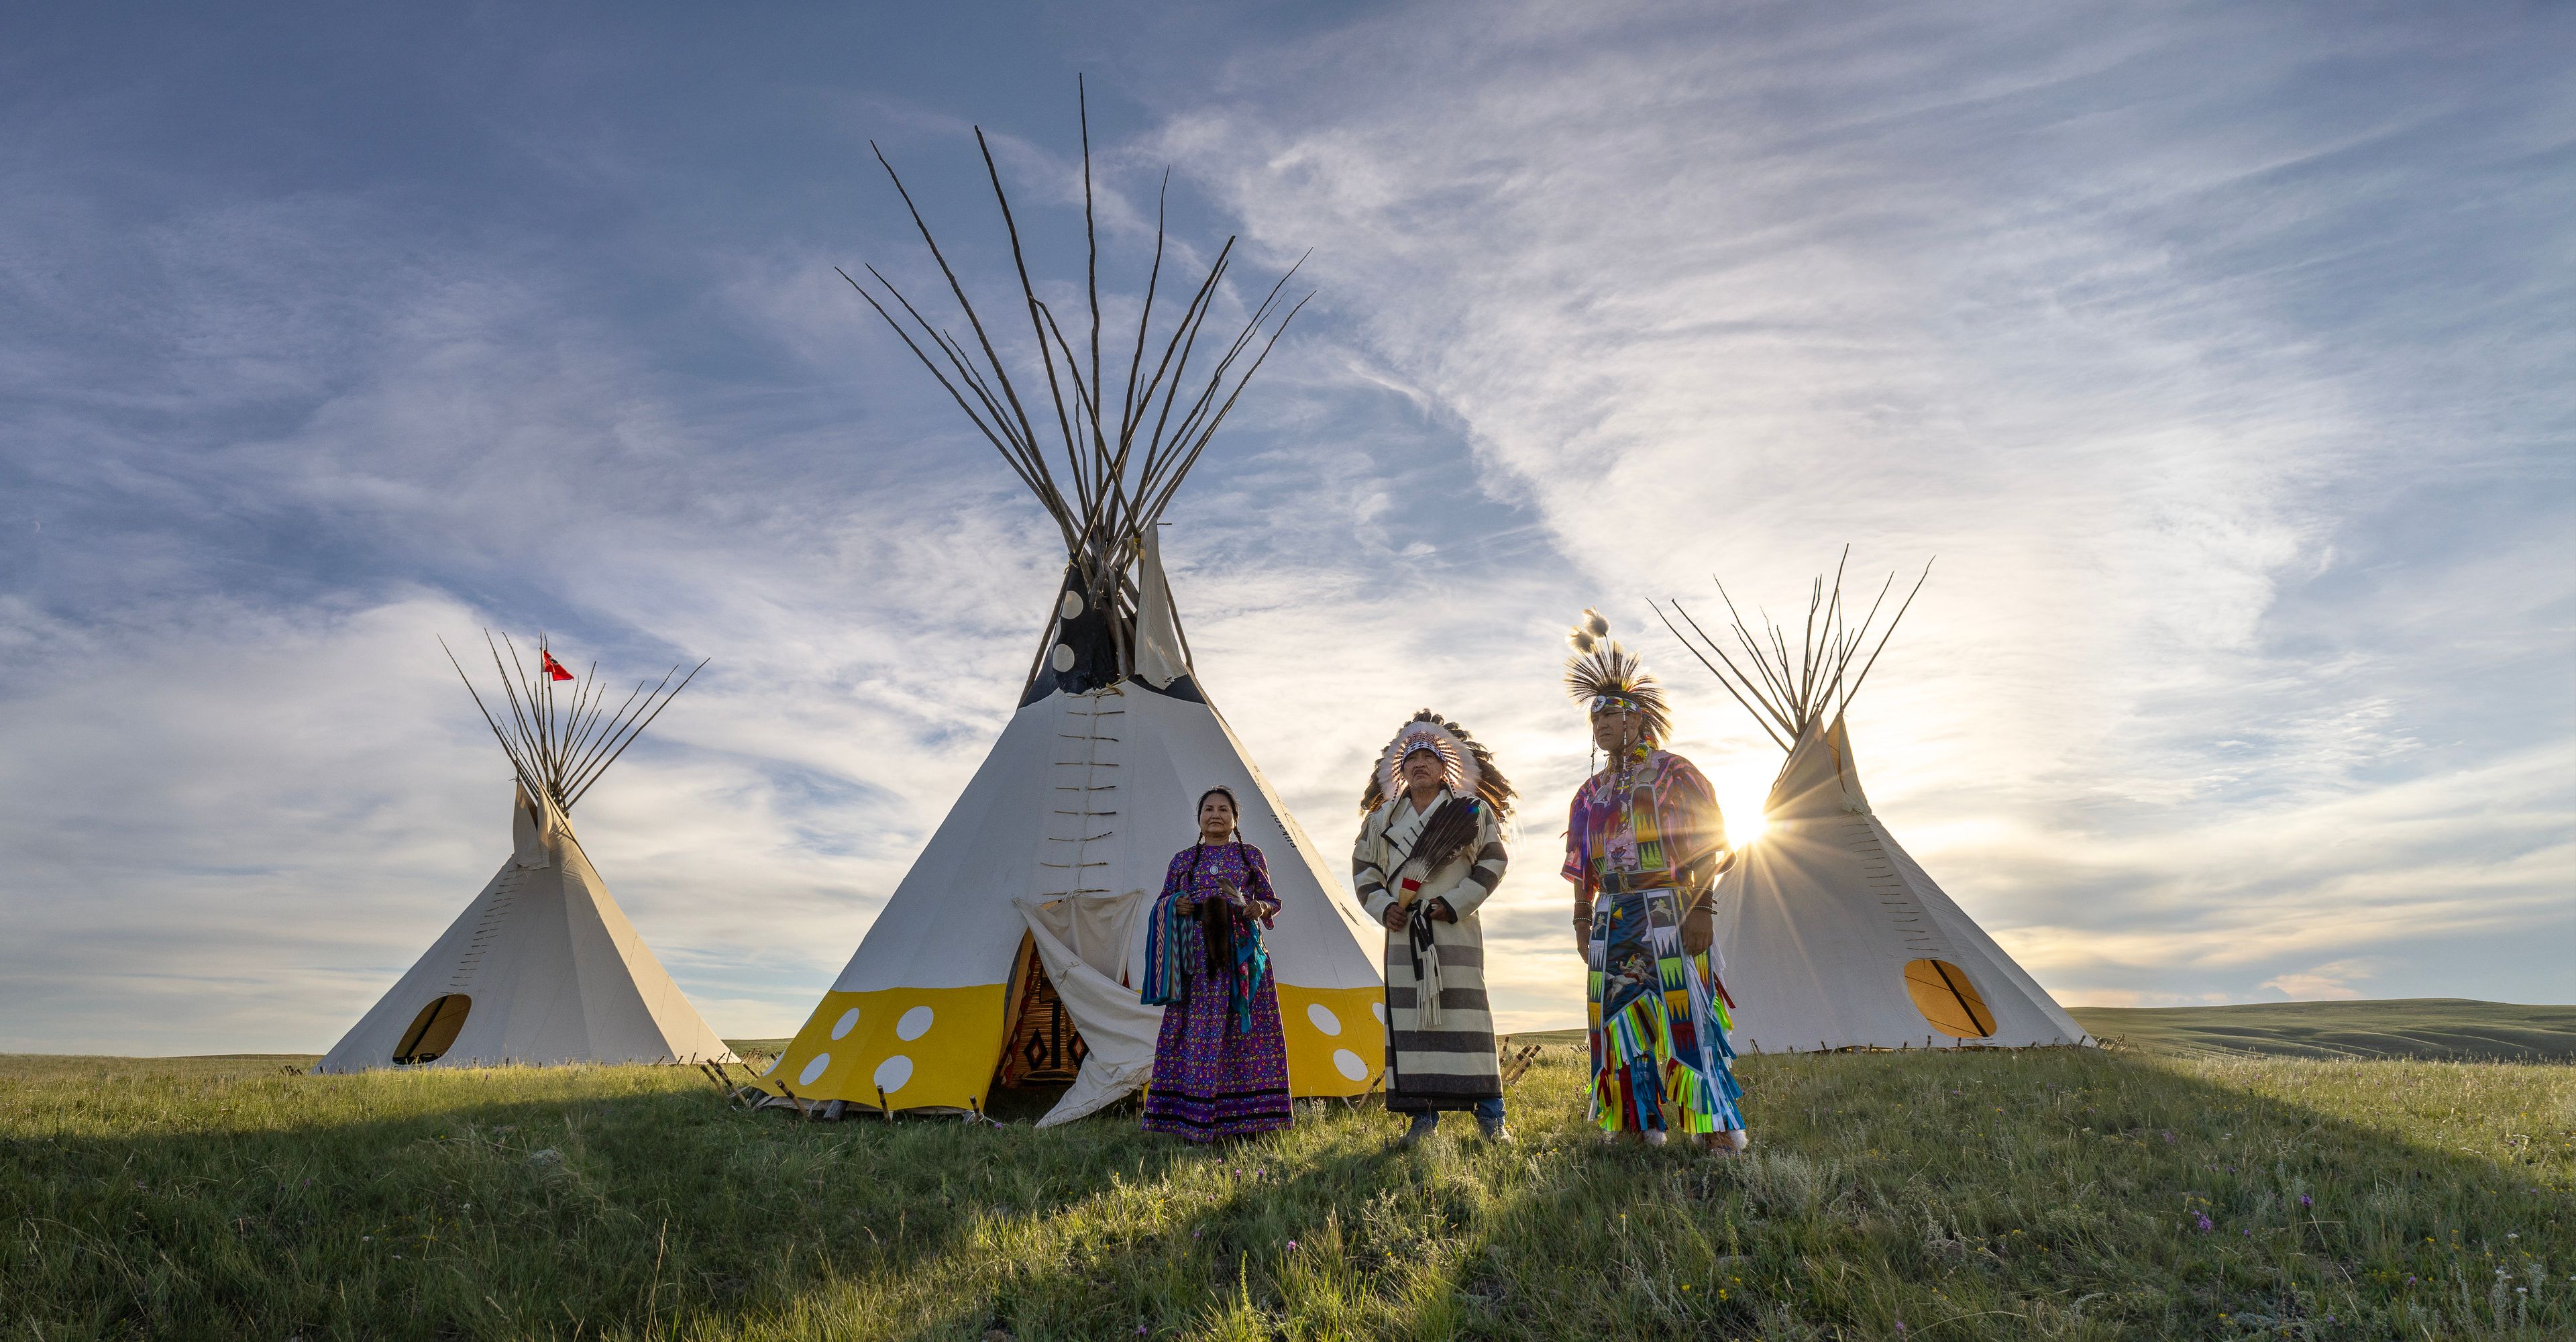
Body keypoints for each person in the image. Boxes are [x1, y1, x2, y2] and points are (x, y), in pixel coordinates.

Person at [1560, 610, 1750, 1151]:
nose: (1600, 723)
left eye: (1611, 714)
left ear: (1639, 720)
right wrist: (1581, 919)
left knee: (1684, 1017)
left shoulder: (1673, 773)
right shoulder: (1589, 793)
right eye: (1594, 716)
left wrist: (1703, 909)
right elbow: (1582, 864)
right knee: (1614, 1024)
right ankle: (1638, 1123)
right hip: (1611, 916)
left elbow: (1713, 842)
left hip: (1669, 906)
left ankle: (1715, 1130)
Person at [1351, 712, 1515, 1146]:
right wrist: (1385, 907)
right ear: (1401, 772)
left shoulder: (1471, 812)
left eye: (1429, 756)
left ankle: (1491, 1118)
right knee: (1412, 1024)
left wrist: (1454, 902)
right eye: (1411, 759)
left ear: (1445, 768)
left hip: (1453, 931)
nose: (1419, 763)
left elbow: (1493, 863)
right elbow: (1363, 869)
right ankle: (1423, 1120)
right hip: (1404, 934)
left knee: (1469, 1018)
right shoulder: (1380, 820)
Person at [1139, 785, 1292, 1142]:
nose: (1216, 815)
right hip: (1196, 961)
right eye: (1209, 809)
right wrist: (1176, 903)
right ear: (1199, 818)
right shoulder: (1181, 861)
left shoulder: (1251, 855)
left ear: (1235, 818)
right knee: (1195, 1033)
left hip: (1242, 957)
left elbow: (1271, 900)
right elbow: (1163, 901)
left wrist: (1261, 908)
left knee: (1247, 1033)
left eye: (1224, 809)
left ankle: (1255, 1121)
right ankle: (1185, 1117)